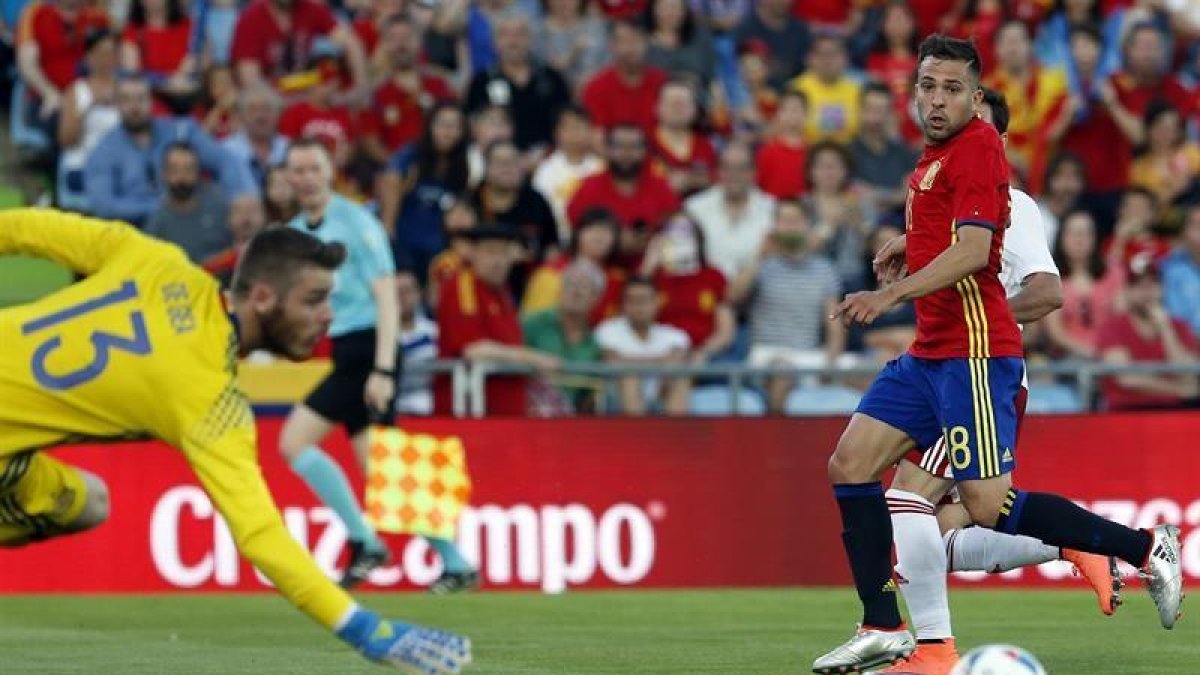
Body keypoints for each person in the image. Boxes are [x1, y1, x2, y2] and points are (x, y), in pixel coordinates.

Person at [813, 35, 1182, 675]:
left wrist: (891, 292)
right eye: (927, 85)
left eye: (952, 88)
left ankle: (1144, 547)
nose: (936, 98)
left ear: (975, 97)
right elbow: (954, 233)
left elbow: (979, 253)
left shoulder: (982, 146)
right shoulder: (936, 158)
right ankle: (880, 623)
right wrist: (910, 243)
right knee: (850, 464)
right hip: (929, 356)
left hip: (973, 358)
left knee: (986, 508)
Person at [0, 208, 471, 672]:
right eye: (314, 300)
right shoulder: (208, 399)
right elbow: (261, 535)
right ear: (263, 297)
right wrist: (364, 629)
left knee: (89, 502)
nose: (328, 315)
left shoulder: (155, 259)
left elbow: (24, 228)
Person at [872, 88, 1111, 674]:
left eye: (977, 125)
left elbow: (1047, 291)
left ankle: (932, 651)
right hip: (946, 369)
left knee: (909, 505)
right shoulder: (948, 195)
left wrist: (979, 319)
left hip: (975, 373)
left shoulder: (1017, 204)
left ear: (996, 142)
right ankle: (1071, 544)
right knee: (943, 529)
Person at [85, 74, 256, 228]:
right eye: (127, 100)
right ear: (117, 104)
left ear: (151, 101)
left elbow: (226, 162)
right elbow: (104, 206)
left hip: (192, 221)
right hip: (136, 231)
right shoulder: (103, 151)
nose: (134, 107)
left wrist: (238, 200)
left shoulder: (180, 131)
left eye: (140, 98)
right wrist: (160, 208)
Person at [729, 200, 844, 413]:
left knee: (869, 375)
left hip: (808, 355)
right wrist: (759, 255)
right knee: (782, 374)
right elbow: (734, 297)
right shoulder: (761, 265)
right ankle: (776, 440)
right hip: (767, 355)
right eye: (784, 221)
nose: (790, 227)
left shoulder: (824, 268)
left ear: (807, 225)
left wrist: (831, 363)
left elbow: (834, 325)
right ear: (774, 227)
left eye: (796, 221)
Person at [435, 226, 562, 417]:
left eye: (504, 252)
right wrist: (532, 358)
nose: (498, 261)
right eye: (490, 252)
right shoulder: (462, 286)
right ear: (473, 253)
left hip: (507, 410)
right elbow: (473, 350)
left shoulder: (502, 292)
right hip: (472, 410)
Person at [566, 124, 680, 269]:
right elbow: (577, 228)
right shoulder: (589, 186)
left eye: (634, 146)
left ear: (645, 151)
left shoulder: (661, 186)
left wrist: (648, 238)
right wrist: (615, 239)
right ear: (607, 150)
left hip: (654, 271)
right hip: (599, 272)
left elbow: (677, 224)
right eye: (619, 146)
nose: (626, 153)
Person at [379, 103, 470, 281]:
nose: (448, 132)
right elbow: (390, 179)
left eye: (455, 126)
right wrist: (387, 229)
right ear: (430, 127)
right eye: (443, 125)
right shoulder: (411, 155)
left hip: (438, 247)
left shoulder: (462, 164)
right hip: (404, 241)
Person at [1098, 253, 1200, 411]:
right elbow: (1126, 377)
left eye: (1153, 283)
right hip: (1126, 411)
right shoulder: (1113, 326)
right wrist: (1178, 390)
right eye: (1139, 285)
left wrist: (1166, 330)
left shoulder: (1179, 326)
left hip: (1175, 411)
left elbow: (1188, 374)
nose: (1147, 291)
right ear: (1127, 291)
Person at [465, 15, 570, 157]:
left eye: (520, 34)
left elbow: (566, 123)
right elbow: (473, 126)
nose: (513, 41)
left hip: (549, 160)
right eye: (505, 35)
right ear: (494, 42)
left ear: (531, 40)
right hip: (496, 161)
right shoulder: (481, 82)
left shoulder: (552, 79)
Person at [360, 15, 457, 165]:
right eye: (393, 38)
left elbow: (456, 129)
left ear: (420, 43)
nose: (401, 44)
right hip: (396, 176)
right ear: (384, 45)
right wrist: (398, 168)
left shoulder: (440, 86)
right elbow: (371, 143)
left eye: (407, 37)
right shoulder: (375, 94)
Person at [468, 139, 560, 296]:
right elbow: (461, 244)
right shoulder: (471, 199)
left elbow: (552, 247)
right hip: (478, 282)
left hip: (529, 283)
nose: (507, 169)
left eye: (513, 162)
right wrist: (503, 256)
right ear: (487, 167)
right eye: (500, 163)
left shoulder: (536, 201)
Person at [640, 213, 734, 366]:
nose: (678, 238)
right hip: (658, 355)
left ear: (698, 239)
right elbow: (634, 308)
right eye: (672, 233)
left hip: (704, 355)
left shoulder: (713, 276)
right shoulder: (653, 277)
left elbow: (725, 331)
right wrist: (650, 262)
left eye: (685, 233)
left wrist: (704, 352)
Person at [231, 0, 368, 98]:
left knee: (330, 77)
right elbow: (250, 80)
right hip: (270, 99)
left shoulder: (310, 8)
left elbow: (352, 44)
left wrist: (361, 88)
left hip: (304, 90)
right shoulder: (250, 18)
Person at [596, 276, 691, 415]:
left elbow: (678, 361)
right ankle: (638, 434)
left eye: (644, 300)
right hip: (617, 404)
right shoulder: (608, 330)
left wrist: (630, 361)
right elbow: (612, 361)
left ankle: (675, 434)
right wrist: (661, 361)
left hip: (660, 397)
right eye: (632, 300)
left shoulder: (674, 336)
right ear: (623, 304)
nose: (638, 306)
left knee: (680, 380)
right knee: (630, 377)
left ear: (656, 302)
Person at [522, 259, 607, 411]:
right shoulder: (532, 323)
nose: (575, 291)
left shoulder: (594, 342)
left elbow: (588, 397)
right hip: (528, 413)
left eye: (583, 286)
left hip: (570, 422)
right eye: (570, 284)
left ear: (596, 298)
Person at [684, 140, 775, 281]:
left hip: (759, 296)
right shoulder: (694, 208)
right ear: (718, 171)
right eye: (727, 168)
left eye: (741, 168)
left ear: (754, 172)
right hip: (707, 295)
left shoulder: (772, 209)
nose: (734, 175)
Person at [1043, 209, 1123, 360]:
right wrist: (1093, 353)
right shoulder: (1050, 278)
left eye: (1086, 233)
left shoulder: (1112, 272)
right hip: (1068, 359)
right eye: (1072, 233)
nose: (1079, 239)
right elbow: (1056, 333)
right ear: (1061, 239)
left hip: (1112, 354)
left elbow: (1120, 319)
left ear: (1095, 238)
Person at [56, 27, 120, 212]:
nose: (106, 59)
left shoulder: (127, 90)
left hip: (119, 167)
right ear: (88, 57)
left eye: (111, 53)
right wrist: (90, 107)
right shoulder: (76, 91)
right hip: (83, 165)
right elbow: (66, 140)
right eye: (100, 53)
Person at [522, 207, 625, 321]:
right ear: (577, 234)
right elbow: (534, 322)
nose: (598, 236)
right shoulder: (550, 273)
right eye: (591, 229)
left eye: (606, 231)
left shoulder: (619, 278)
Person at [144, 143, 234, 264]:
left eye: (188, 170)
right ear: (164, 175)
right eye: (174, 170)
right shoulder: (156, 224)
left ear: (198, 173)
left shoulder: (221, 210)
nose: (181, 177)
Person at [580, 20, 668, 139]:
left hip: (658, 154)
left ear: (646, 43)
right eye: (623, 42)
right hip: (612, 155)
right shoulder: (596, 87)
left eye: (635, 41)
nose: (629, 49)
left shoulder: (663, 83)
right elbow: (596, 136)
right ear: (611, 46)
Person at [532, 106, 604, 242]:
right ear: (556, 133)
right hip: (558, 237)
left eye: (580, 127)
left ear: (591, 131)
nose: (575, 133)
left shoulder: (601, 168)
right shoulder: (546, 171)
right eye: (569, 128)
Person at [848, 83, 920, 217]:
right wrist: (894, 196)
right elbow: (853, 195)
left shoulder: (904, 152)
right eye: (871, 109)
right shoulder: (847, 153)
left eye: (881, 110)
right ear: (860, 110)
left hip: (900, 222)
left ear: (890, 114)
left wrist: (875, 195)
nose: (875, 117)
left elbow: (909, 193)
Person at [788, 34, 862, 145]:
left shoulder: (858, 91)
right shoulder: (795, 90)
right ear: (810, 58)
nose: (828, 60)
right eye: (821, 54)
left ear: (845, 59)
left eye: (833, 54)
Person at [648, 79, 717, 197]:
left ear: (695, 109)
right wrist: (665, 186)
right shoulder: (643, 145)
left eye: (683, 104)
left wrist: (701, 181)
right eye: (672, 103)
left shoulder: (708, 145)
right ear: (657, 107)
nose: (677, 109)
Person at [222, 84, 290, 191]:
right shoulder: (226, 150)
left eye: (267, 109)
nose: (260, 116)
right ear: (241, 116)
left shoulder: (289, 148)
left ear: (278, 115)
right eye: (252, 110)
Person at [731, 0, 809, 89]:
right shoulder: (745, 29)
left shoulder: (800, 31)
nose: (782, 2)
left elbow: (804, 72)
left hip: (792, 94)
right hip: (751, 93)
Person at [533, 0, 607, 90]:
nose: (564, 2)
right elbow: (540, 68)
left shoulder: (596, 28)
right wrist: (572, 55)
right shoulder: (537, 31)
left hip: (593, 91)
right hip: (552, 95)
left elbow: (607, 65)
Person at [395, 268, 439, 416]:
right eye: (397, 292)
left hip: (428, 407)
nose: (402, 297)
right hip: (391, 409)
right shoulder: (376, 336)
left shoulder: (434, 333)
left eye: (407, 291)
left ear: (419, 294)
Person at [120, 0, 195, 87]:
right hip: (148, 95)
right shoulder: (132, 31)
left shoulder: (189, 27)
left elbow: (200, 63)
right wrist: (175, 78)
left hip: (186, 95)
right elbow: (133, 76)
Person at [643, 0, 714, 89]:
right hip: (654, 97)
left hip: (696, 97)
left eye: (675, 7)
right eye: (665, 7)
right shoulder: (641, 39)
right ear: (654, 9)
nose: (671, 13)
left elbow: (712, 77)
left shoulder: (700, 37)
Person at [755, 90, 809, 200]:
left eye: (796, 110)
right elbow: (759, 185)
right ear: (779, 114)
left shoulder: (812, 151)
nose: (792, 114)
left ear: (806, 114)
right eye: (787, 110)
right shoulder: (767, 151)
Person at [1162, 206, 1200, 338]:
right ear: (1185, 231)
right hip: (1182, 347)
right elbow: (1173, 316)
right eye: (1195, 225)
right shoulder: (1167, 266)